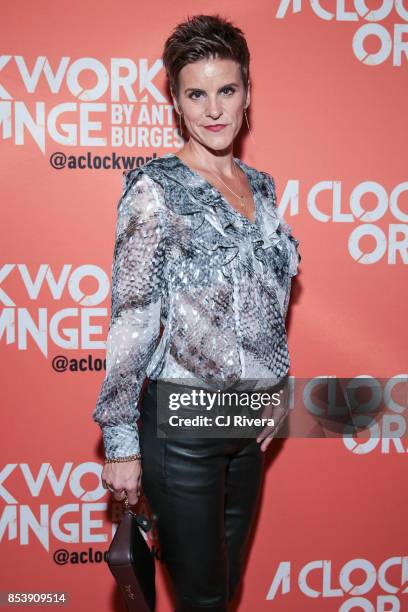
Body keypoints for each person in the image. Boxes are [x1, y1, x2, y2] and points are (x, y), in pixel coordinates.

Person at [93, 13, 301, 611]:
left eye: (226, 90)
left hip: (246, 422)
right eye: (196, 93)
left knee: (224, 590)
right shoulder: (154, 188)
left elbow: (270, 302)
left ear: (247, 96)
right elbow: (132, 316)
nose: (214, 108)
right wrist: (122, 443)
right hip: (181, 424)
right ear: (177, 103)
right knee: (202, 600)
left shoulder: (262, 187)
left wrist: (277, 387)